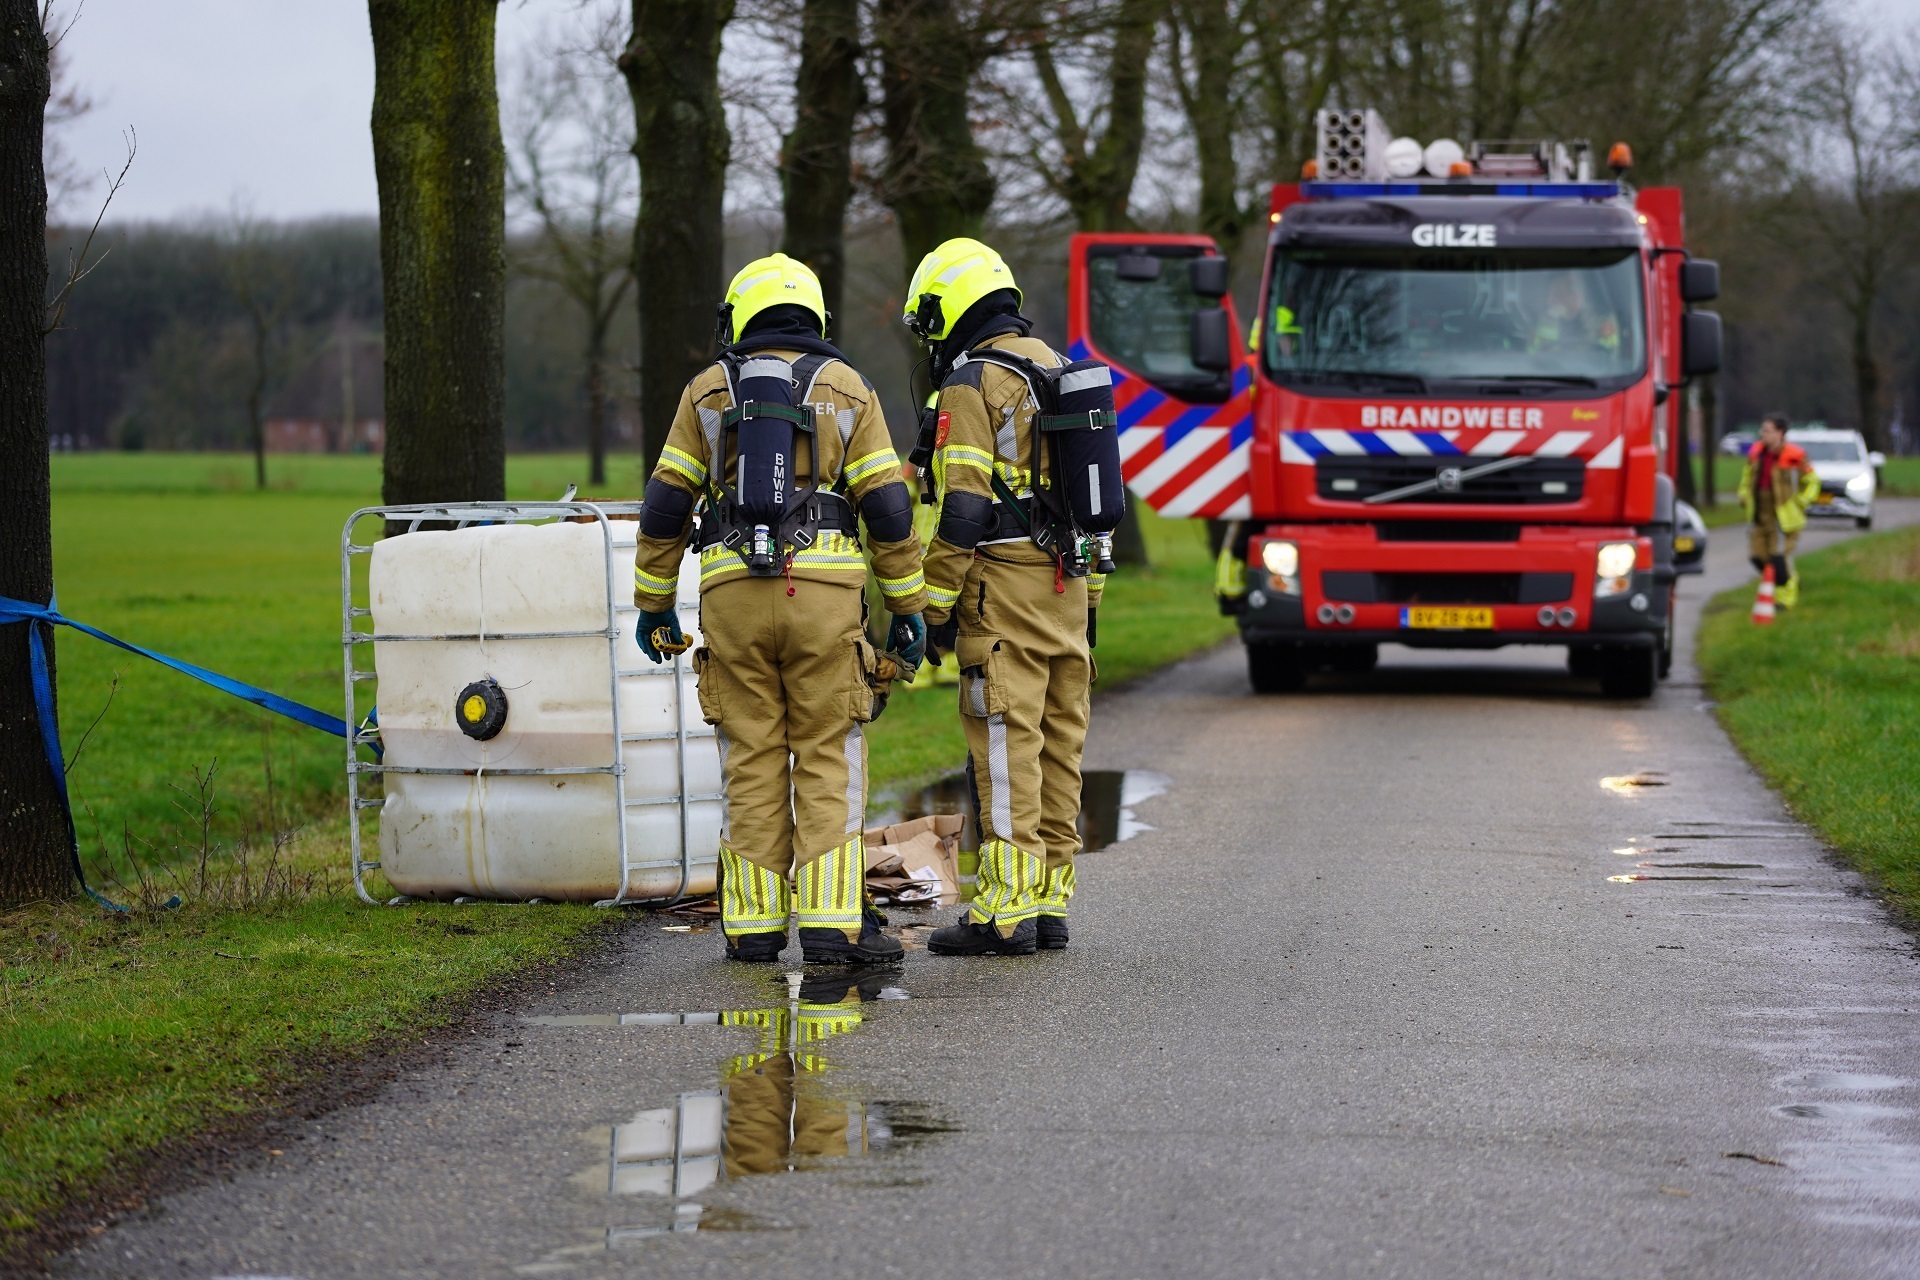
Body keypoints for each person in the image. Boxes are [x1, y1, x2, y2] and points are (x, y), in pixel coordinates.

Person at [631, 253, 927, 965]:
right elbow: (887, 506)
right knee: (827, 752)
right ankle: (830, 925)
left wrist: (652, 601)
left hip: (731, 596)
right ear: (816, 318)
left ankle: (756, 928)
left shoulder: (707, 390)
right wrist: (908, 605)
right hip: (823, 601)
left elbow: (668, 501)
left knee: (751, 757)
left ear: (740, 318)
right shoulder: (848, 389)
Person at [904, 237, 1105, 957]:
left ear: (952, 306)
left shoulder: (973, 381)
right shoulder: (1059, 368)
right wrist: (1089, 606)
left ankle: (1005, 915)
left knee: (1005, 743)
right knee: (1058, 745)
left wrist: (928, 607)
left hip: (1004, 587)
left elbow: (962, 508)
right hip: (1068, 584)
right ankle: (1049, 902)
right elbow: (1090, 500)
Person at [1738, 413, 1820, 608]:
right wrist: (1743, 494)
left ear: (1780, 433)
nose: (1762, 434)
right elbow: (1746, 477)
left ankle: (1786, 598)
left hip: (1782, 517)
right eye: (1762, 430)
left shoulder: (1795, 456)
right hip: (1760, 514)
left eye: (1767, 430)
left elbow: (1812, 481)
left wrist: (1802, 501)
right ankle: (1785, 583)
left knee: (1779, 558)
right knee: (1758, 556)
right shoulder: (1756, 453)